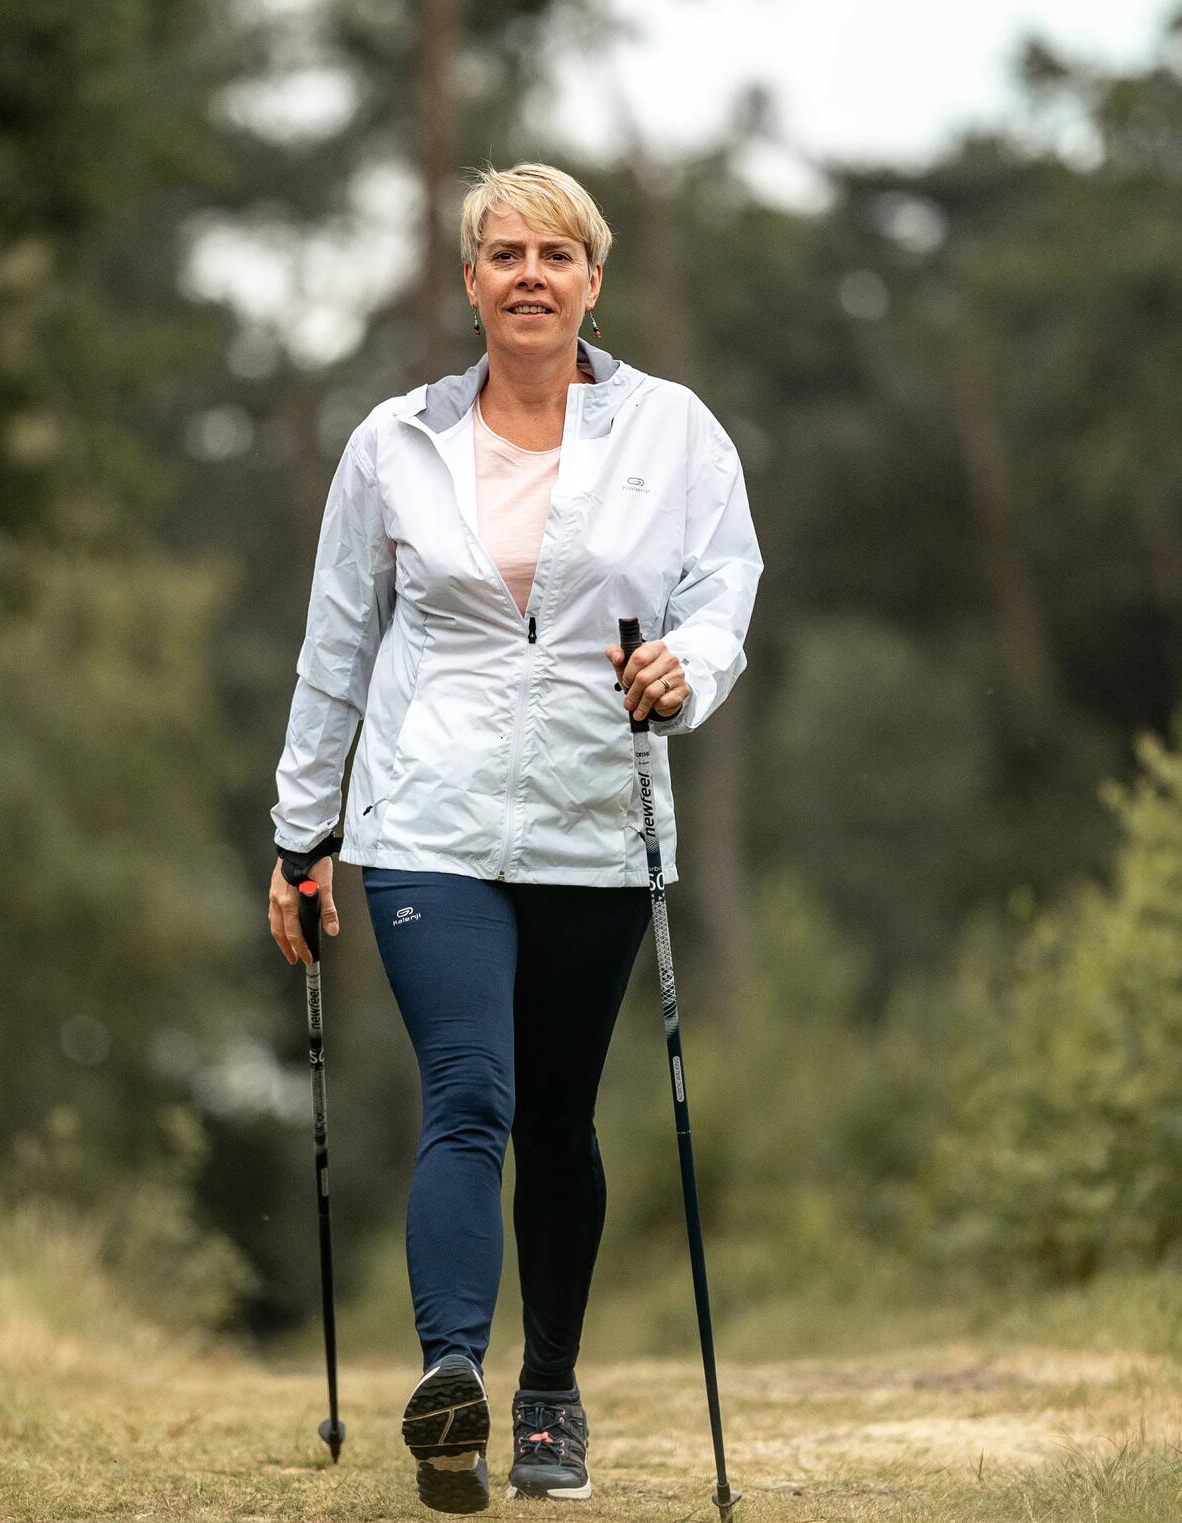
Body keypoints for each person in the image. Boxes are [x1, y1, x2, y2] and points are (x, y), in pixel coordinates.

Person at [267, 161, 761, 1514]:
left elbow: (725, 590)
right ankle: (451, 1389)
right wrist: (301, 836)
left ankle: (550, 1387)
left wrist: (689, 668)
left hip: (599, 822)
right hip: (428, 820)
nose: (530, 274)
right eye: (504, 253)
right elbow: (335, 648)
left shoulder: (674, 432)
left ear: (593, 281)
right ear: (470, 282)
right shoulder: (393, 445)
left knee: (558, 1112)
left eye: (557, 253)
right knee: (470, 1093)